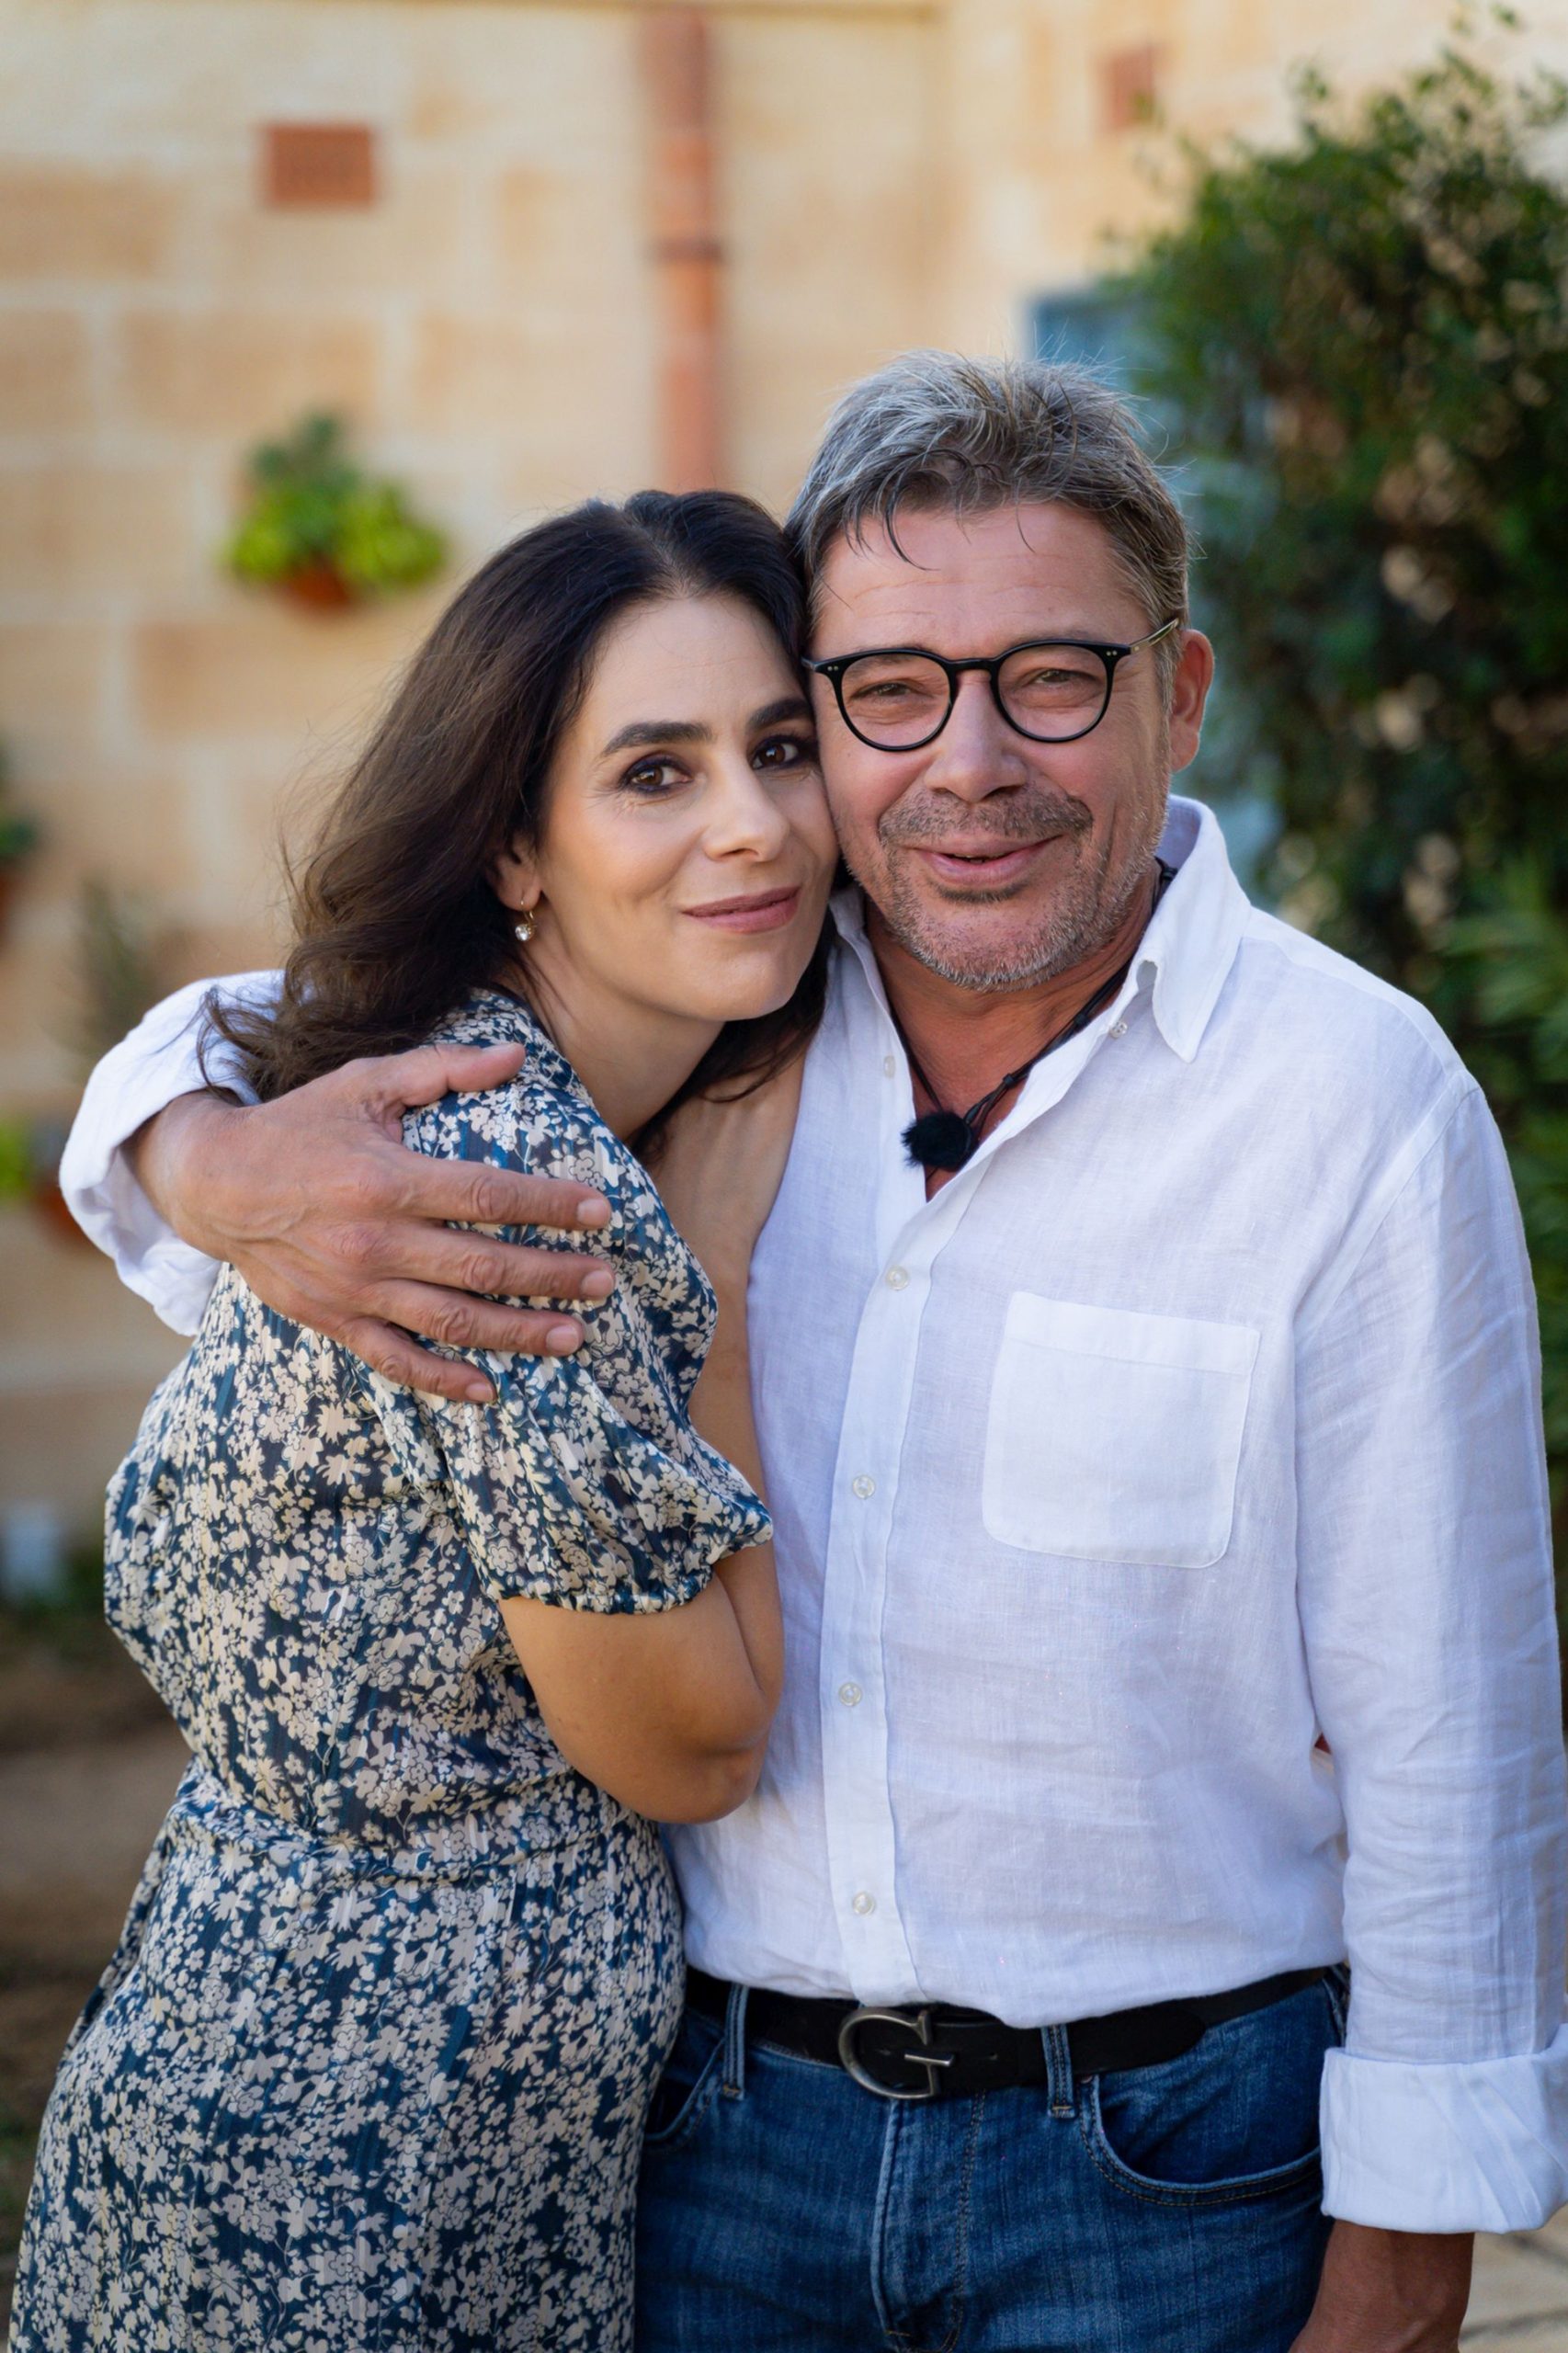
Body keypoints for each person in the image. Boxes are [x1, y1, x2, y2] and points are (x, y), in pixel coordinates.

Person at [58, 354, 1568, 2353]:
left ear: (1179, 693)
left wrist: (1403, 2265)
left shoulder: (1354, 1104)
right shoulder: (725, 1005)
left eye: (1054, 678)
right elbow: (293, 1020)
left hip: (1166, 2181)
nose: (971, 761)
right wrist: (206, 1147)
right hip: (696, 2158)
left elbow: (1452, 1739)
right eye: (887, 691)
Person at [12, 488, 839, 2353]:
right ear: (515, 847)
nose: (753, 821)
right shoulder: (499, 1182)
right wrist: (704, 1278)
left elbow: (219, 1027)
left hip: (340, 2114)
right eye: (655, 771)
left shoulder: (485, 1084)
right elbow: (691, 1740)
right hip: (354, 2175)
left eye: (781, 747)